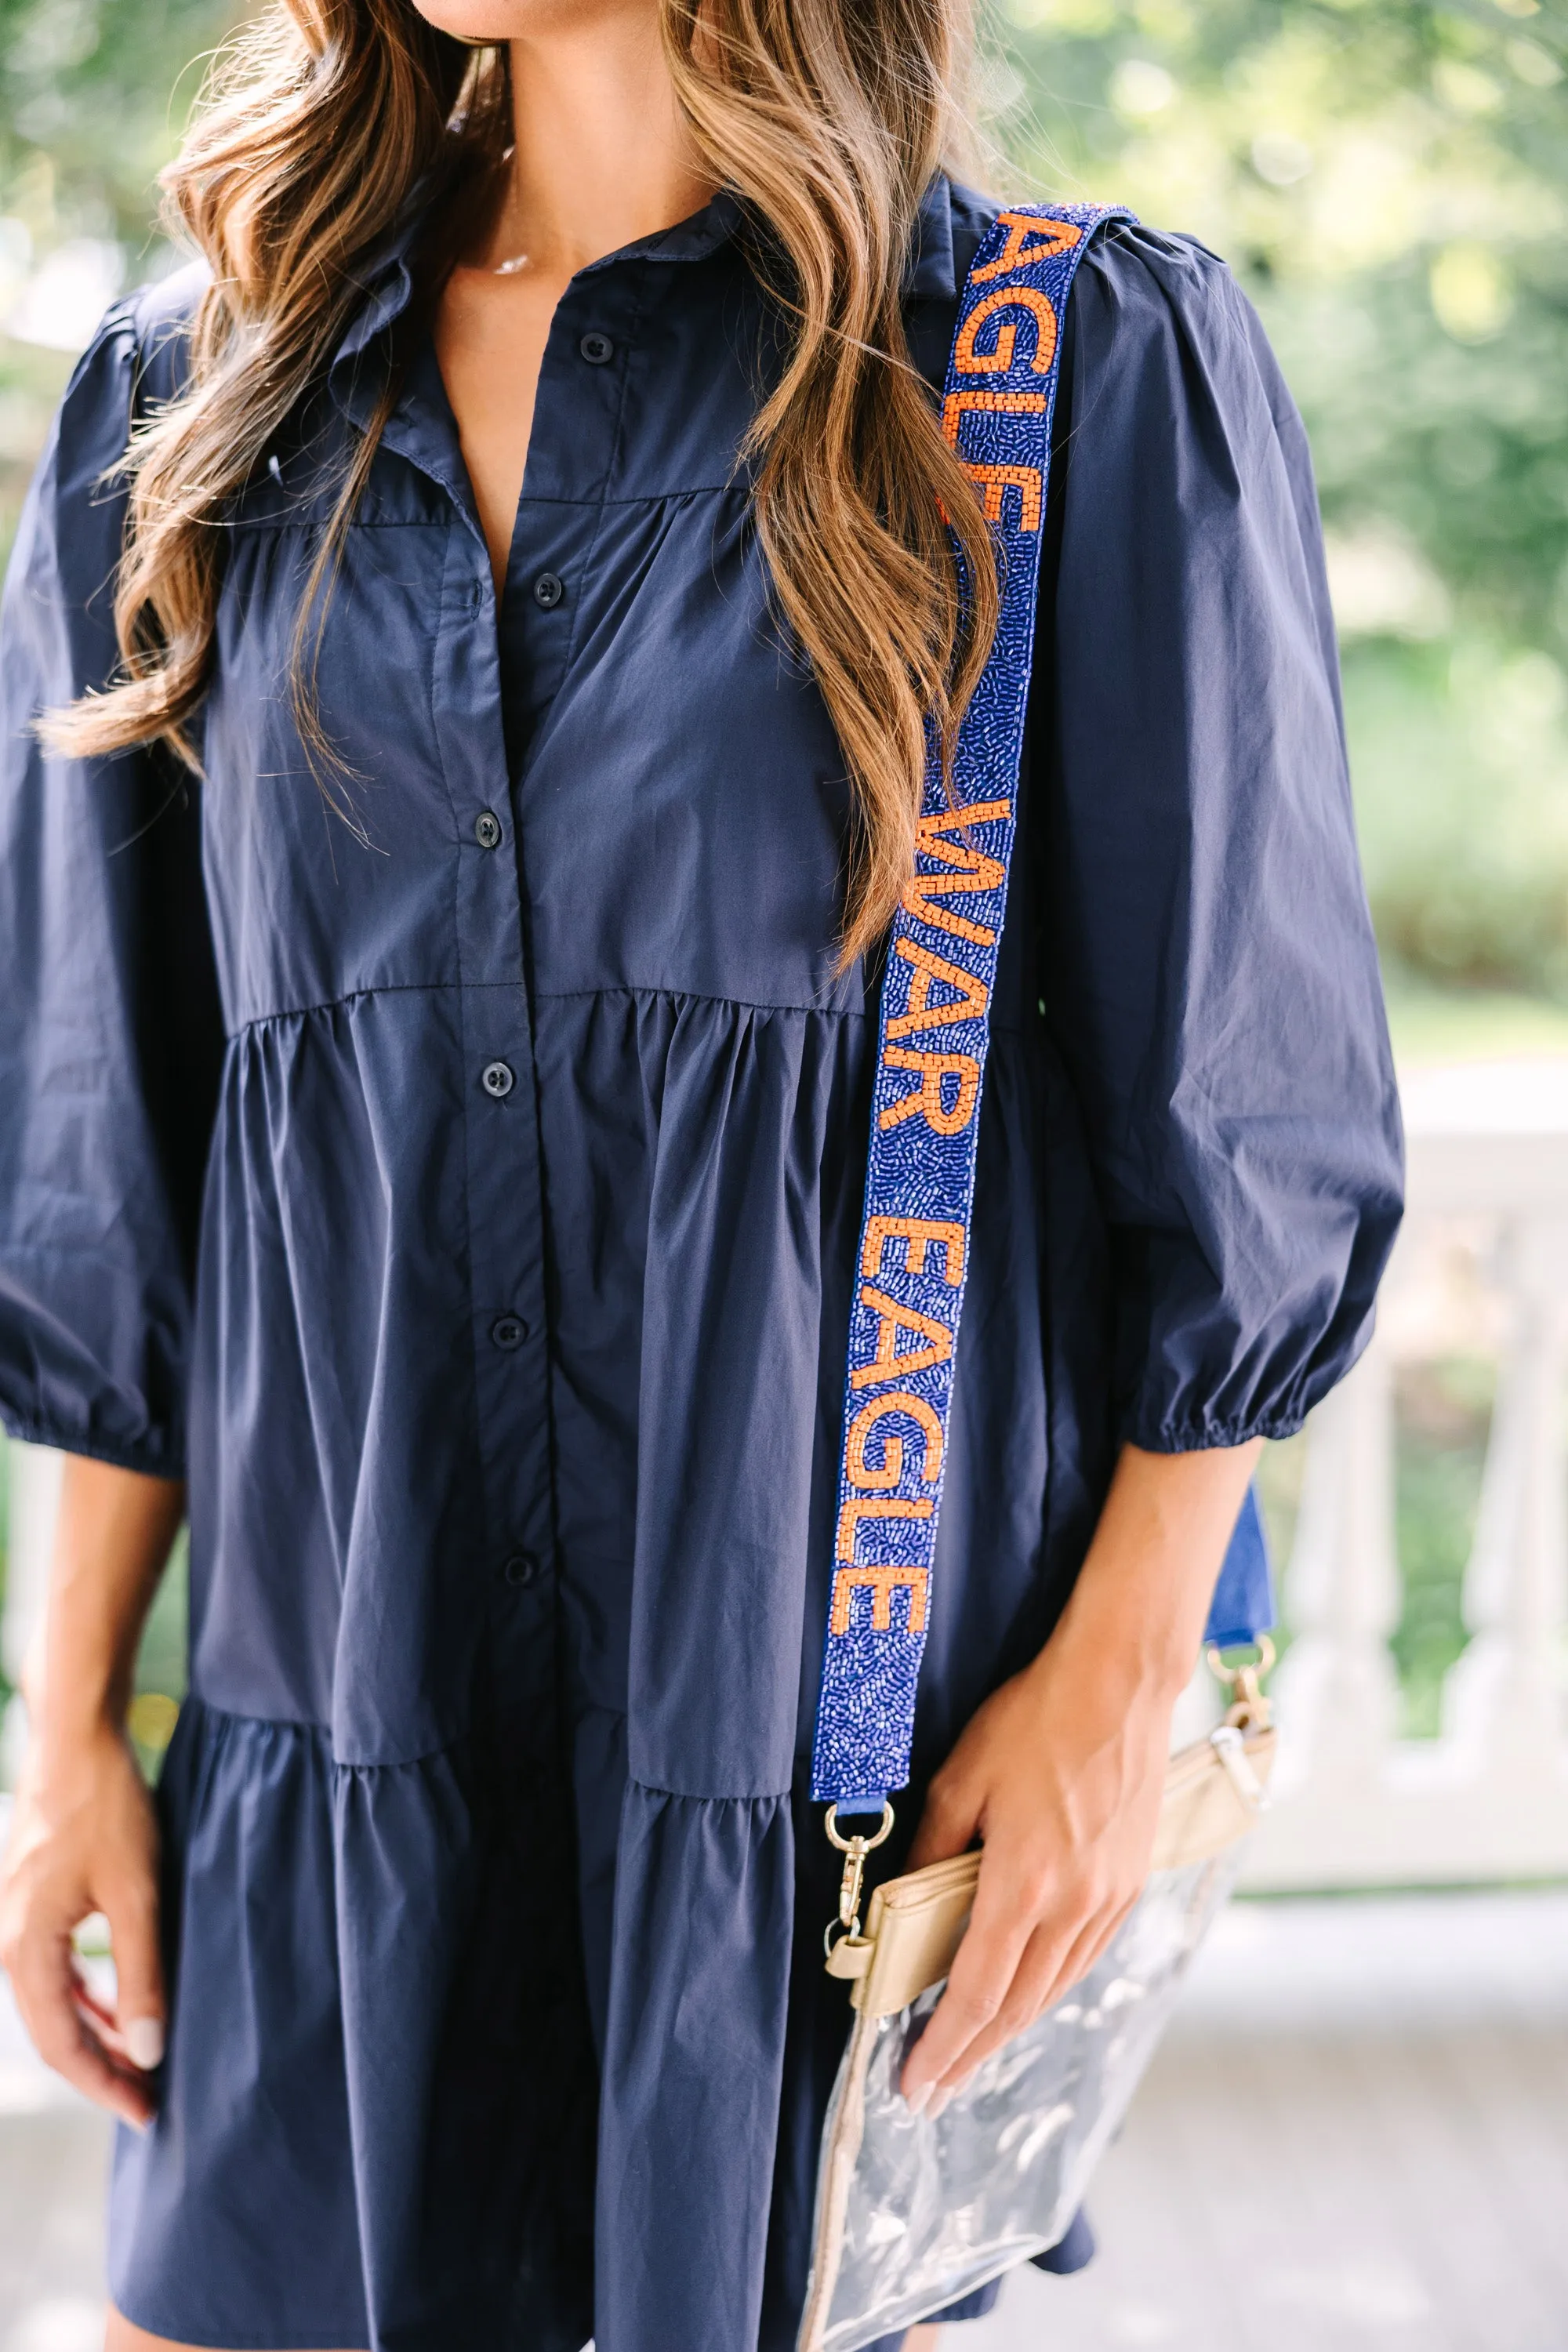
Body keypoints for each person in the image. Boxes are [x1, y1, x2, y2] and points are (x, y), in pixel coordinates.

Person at [0, 0, 1403, 2343]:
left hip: (802, 1755)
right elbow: (112, 1150)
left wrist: (1115, 1686)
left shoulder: (1058, 360)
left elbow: (1242, 1099)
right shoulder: (189, 399)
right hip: (331, 1733)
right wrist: (58, 1740)